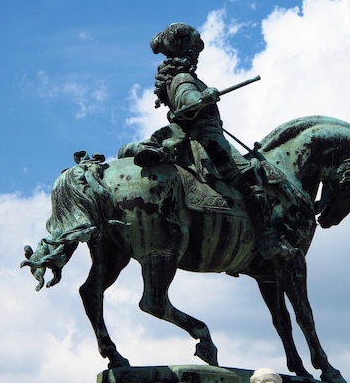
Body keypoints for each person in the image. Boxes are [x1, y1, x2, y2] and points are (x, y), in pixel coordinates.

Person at [127, 22, 297, 262]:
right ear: (187, 52)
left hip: (211, 136)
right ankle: (267, 239)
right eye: (195, 51)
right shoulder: (183, 78)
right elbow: (187, 99)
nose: (197, 55)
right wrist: (203, 97)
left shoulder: (180, 76)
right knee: (249, 174)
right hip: (207, 141)